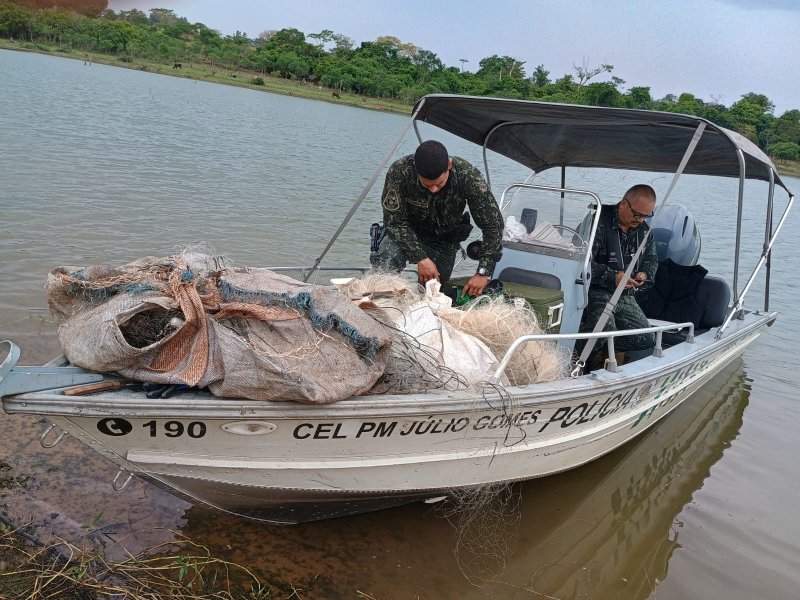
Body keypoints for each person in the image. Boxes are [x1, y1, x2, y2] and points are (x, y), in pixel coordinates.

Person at [370, 140, 505, 297]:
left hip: (444, 240)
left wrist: (483, 272)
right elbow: (394, 222)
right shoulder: (400, 171)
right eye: (427, 186)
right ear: (415, 167)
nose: (433, 190)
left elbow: (493, 226)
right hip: (407, 233)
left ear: (449, 165)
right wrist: (420, 257)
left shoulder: (468, 177)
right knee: (386, 259)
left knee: (435, 292)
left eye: (439, 184)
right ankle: (382, 301)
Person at [578, 184, 659, 363]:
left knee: (645, 337)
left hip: (625, 294)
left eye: (646, 216)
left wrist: (643, 275)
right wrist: (612, 277)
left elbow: (651, 261)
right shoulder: (597, 223)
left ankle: (601, 349)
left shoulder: (645, 232)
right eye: (637, 214)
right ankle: (575, 357)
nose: (640, 220)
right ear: (623, 204)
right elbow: (578, 261)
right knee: (605, 325)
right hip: (595, 289)